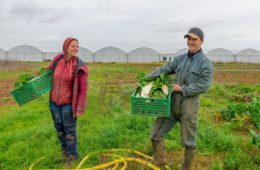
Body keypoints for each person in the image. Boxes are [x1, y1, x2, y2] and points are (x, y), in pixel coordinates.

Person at [148, 27, 213, 170]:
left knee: (188, 142)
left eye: (194, 39)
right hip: (171, 105)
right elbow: (164, 69)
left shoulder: (205, 63)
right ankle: (159, 161)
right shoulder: (180, 59)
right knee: (155, 134)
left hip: (189, 108)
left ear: (201, 41)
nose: (190, 42)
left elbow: (204, 85)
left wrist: (182, 89)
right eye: (189, 39)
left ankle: (185, 167)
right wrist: (146, 79)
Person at [46, 38, 88, 168]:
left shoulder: (80, 65)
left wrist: (80, 107)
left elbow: (83, 88)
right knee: (59, 129)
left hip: (68, 103)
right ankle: (64, 152)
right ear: (66, 47)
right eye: (72, 46)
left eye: (77, 46)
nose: (76, 49)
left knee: (69, 130)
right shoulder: (57, 60)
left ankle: (72, 156)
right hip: (54, 102)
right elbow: (47, 72)